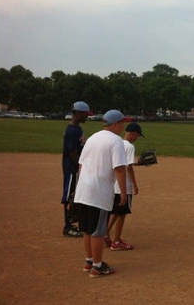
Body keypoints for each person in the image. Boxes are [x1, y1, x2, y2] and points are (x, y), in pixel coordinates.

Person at [74, 110, 129, 278]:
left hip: (83, 190)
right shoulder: (116, 141)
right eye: (121, 123)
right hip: (99, 191)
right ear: (114, 124)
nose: (123, 126)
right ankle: (97, 266)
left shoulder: (92, 138)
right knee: (98, 230)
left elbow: (81, 164)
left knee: (87, 229)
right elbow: (119, 168)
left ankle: (89, 261)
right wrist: (124, 193)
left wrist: (81, 185)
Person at [105, 122, 144, 251]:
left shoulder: (118, 143)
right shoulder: (130, 147)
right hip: (124, 185)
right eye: (138, 136)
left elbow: (123, 163)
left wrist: (139, 162)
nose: (137, 139)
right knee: (121, 214)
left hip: (114, 184)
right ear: (133, 134)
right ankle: (116, 241)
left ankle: (105, 234)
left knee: (116, 211)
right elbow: (129, 167)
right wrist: (135, 185)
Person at [61, 101, 91, 238]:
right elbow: (73, 152)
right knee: (70, 197)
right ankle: (67, 227)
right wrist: (81, 166)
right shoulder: (72, 131)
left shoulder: (77, 128)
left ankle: (73, 223)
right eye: (85, 114)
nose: (87, 117)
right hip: (72, 169)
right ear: (78, 114)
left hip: (75, 168)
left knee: (75, 196)